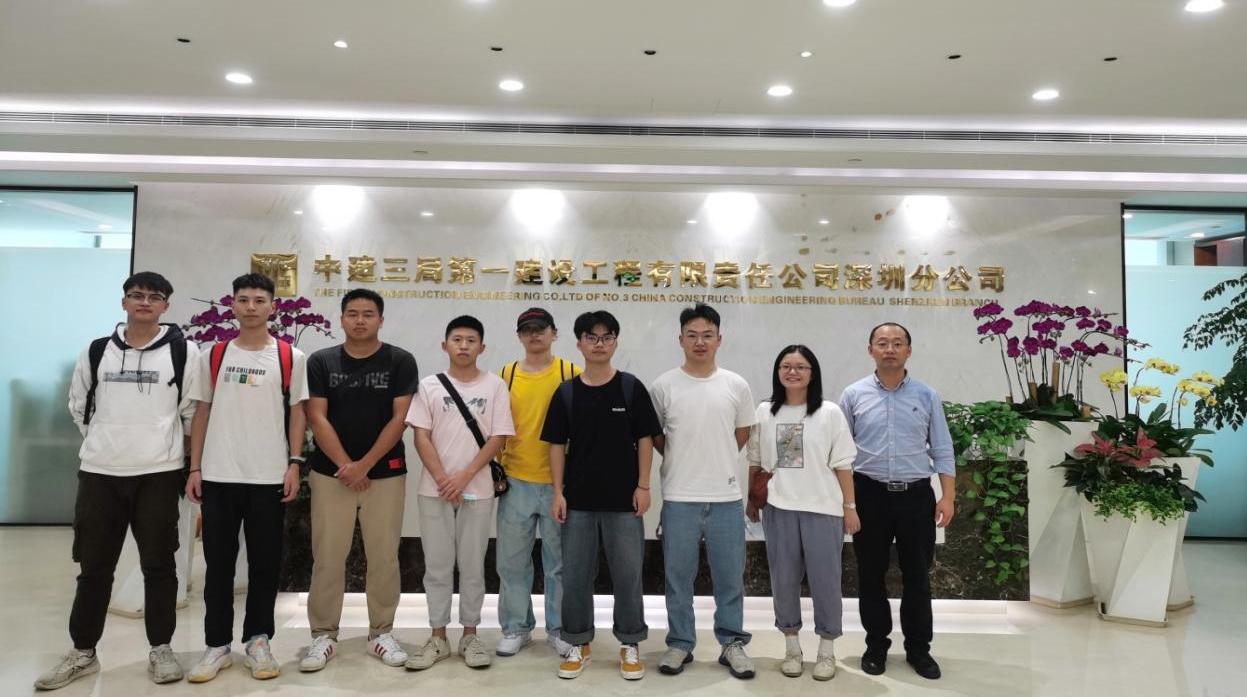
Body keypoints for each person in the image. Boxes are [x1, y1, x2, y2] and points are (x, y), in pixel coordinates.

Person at [37, 272, 198, 691]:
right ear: (124, 302)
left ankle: (161, 649)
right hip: (100, 474)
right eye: (136, 295)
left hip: (158, 474)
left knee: (159, 567)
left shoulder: (184, 352)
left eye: (154, 297)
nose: (145, 302)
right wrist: (105, 441)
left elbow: (190, 413)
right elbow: (79, 405)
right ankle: (83, 652)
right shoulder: (96, 351)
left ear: (166, 306)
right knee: (94, 568)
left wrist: (165, 449)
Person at [185, 273, 309, 683]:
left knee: (265, 565)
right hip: (218, 475)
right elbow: (202, 411)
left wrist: (294, 463)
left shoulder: (291, 356)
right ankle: (217, 645)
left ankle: (258, 640)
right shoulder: (214, 354)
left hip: (268, 477)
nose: (251, 307)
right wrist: (196, 467)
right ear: (233, 305)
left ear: (272, 306)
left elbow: (298, 413)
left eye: (259, 300)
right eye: (243, 300)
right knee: (218, 566)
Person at [299, 288, 419, 672]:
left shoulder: (400, 361)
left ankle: (381, 632)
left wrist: (364, 465)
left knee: (383, 556)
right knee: (327, 556)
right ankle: (323, 635)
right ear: (342, 319)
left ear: (381, 319)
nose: (360, 320)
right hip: (330, 474)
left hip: (385, 474)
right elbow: (316, 417)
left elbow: (400, 418)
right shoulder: (321, 361)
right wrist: (346, 465)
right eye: (352, 313)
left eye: (368, 314)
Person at [542, 310, 661, 681]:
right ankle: (577, 642)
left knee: (628, 576)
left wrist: (644, 485)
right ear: (579, 343)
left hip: (624, 503)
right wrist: (558, 492)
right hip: (577, 502)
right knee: (576, 576)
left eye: (607, 337)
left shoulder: (630, 388)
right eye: (591, 337)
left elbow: (645, 439)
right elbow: (556, 446)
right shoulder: (566, 393)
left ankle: (630, 642)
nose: (599, 344)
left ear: (615, 342)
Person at [840, 322, 955, 681]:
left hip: (916, 497)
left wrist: (948, 496)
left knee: (918, 577)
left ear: (908, 350)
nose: (889, 349)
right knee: (870, 576)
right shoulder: (853, 395)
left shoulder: (927, 395)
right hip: (868, 495)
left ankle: (919, 650)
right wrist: (847, 504)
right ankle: (876, 646)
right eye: (882, 343)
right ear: (870, 349)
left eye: (897, 343)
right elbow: (840, 454)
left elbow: (942, 448)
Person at [649, 303, 758, 679]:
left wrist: (717, 458)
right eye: (692, 335)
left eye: (707, 335)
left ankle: (732, 643)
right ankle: (680, 642)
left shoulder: (736, 384)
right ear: (680, 339)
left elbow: (741, 434)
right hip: (679, 498)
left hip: (726, 499)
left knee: (730, 578)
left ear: (719, 339)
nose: (700, 342)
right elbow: (658, 438)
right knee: (678, 577)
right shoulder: (663, 386)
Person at [405, 315, 515, 671]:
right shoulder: (429, 386)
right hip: (434, 490)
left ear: (482, 347)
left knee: (472, 565)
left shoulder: (495, 386)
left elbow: (498, 437)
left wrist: (464, 476)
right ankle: (438, 637)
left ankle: (470, 635)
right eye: (457, 339)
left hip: (478, 491)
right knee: (437, 566)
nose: (464, 346)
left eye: (471, 340)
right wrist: (443, 478)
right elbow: (420, 435)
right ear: (445, 345)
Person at [746, 345, 858, 681]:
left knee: (826, 582)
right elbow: (755, 460)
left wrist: (849, 507)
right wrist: (752, 499)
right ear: (777, 371)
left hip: (823, 509)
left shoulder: (829, 412)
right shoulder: (764, 412)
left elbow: (843, 464)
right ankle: (792, 648)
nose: (792, 372)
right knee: (783, 581)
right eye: (786, 366)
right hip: (779, 509)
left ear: (813, 373)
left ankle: (826, 650)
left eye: (801, 367)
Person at [495, 308, 580, 658]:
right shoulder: (506, 375)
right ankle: (517, 628)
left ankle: (559, 630)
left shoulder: (570, 373)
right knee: (512, 562)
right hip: (516, 481)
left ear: (554, 333)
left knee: (560, 563)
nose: (534, 335)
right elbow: (496, 427)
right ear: (519, 336)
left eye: (540, 329)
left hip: (560, 485)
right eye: (527, 330)